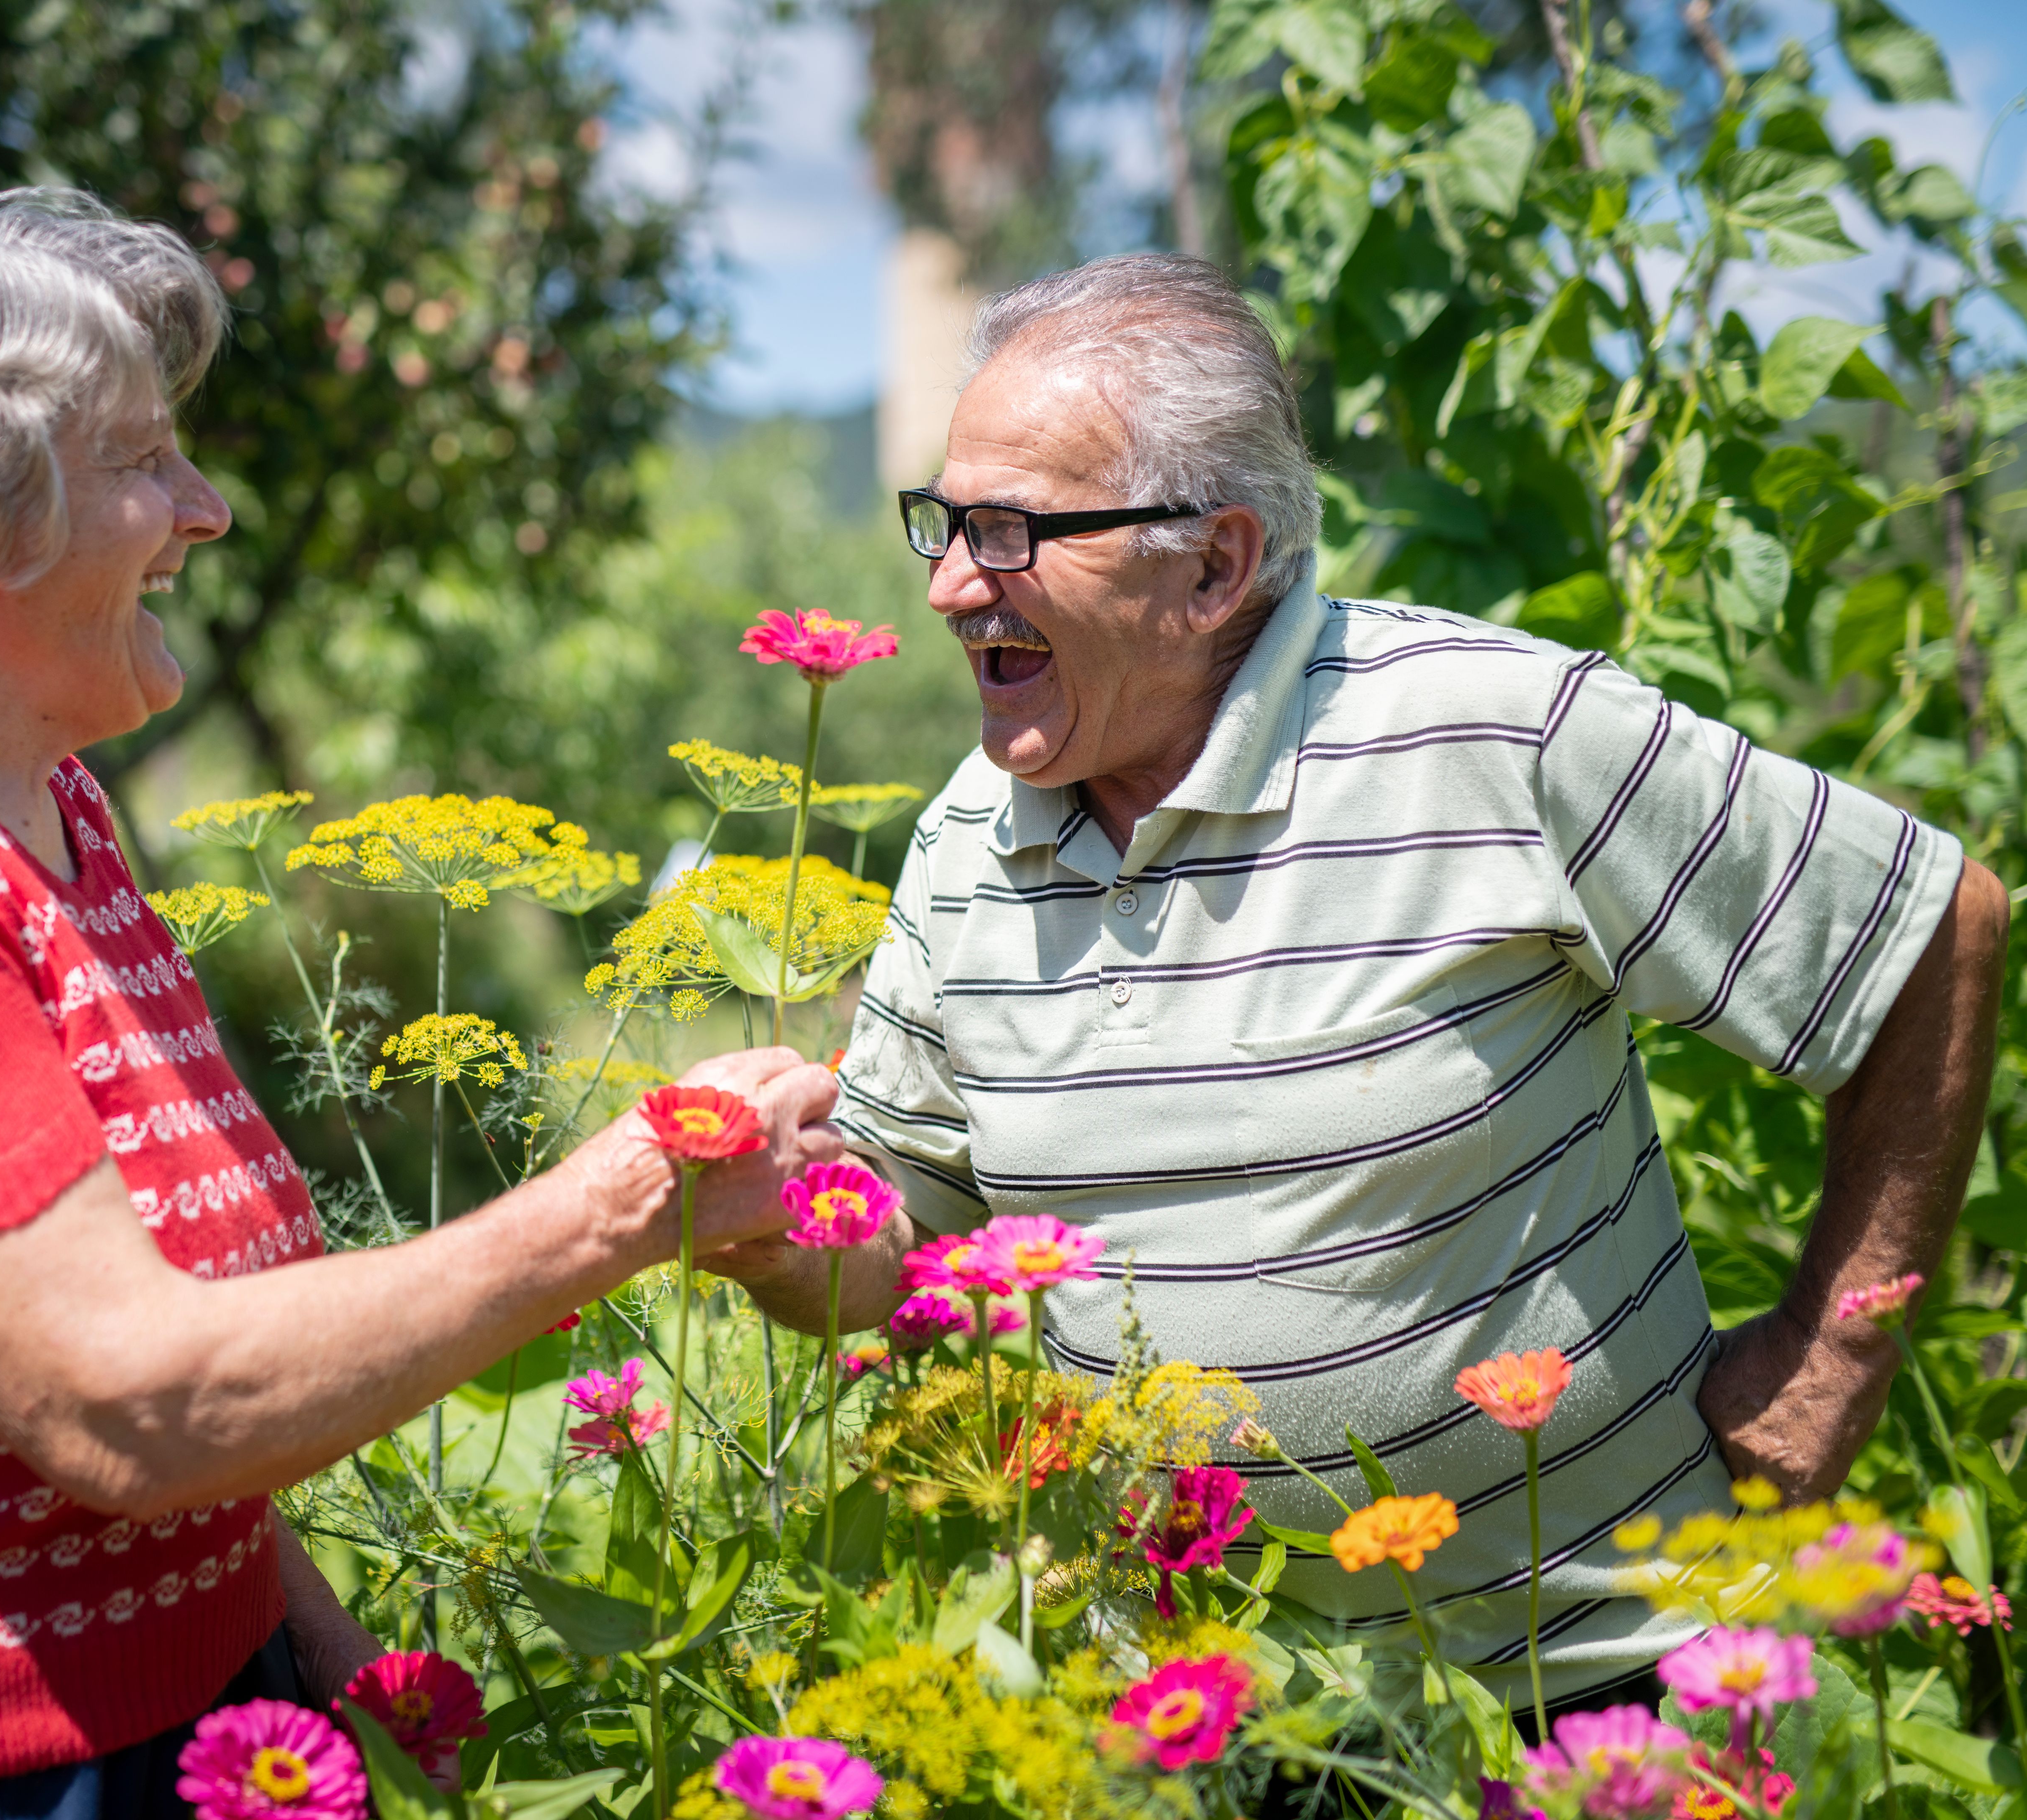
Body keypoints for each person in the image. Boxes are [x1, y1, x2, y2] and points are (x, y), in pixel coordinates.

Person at [0, 190, 841, 1817]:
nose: (208, 508)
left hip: (166, 1714)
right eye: (145, 460)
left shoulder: (45, 803)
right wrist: (631, 1199)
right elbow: (130, 1404)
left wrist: (314, 1658)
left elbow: (170, 1363)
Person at [711, 253, 2007, 1721]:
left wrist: (1831, 1364)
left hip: (1603, 1689)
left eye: (1011, 534)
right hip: (1200, 1717)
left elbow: (1927, 928)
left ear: (1215, 565)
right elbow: (895, 1236)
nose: (953, 585)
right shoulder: (967, 842)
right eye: (944, 526)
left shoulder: (1494, 733)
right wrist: (766, 1220)